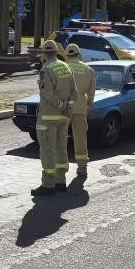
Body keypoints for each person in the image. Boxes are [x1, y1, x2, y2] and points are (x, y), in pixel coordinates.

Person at [32, 40, 76, 197]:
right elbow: (74, 93)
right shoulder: (67, 67)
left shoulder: (46, 69)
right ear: (56, 52)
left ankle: (48, 184)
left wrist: (60, 105)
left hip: (48, 117)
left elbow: (48, 93)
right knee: (61, 147)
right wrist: (68, 108)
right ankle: (61, 181)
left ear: (44, 54)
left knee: (47, 149)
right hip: (64, 118)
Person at [65, 43, 96, 178]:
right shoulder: (88, 69)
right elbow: (92, 91)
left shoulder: (64, 68)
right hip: (81, 107)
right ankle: (82, 167)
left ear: (67, 55)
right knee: (80, 138)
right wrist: (88, 104)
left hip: (65, 107)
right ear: (79, 54)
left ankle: (59, 167)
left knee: (61, 137)